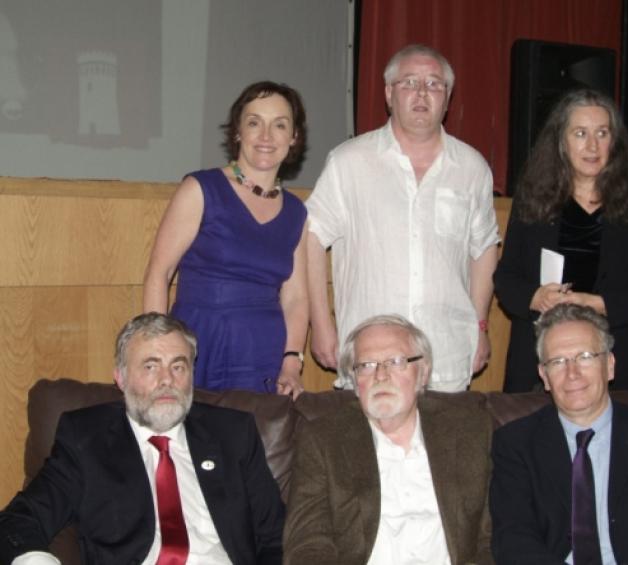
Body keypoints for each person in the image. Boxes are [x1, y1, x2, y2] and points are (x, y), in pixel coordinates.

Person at [0, 312, 284, 564]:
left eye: (178, 366)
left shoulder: (233, 434)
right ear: (120, 378)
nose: (167, 380)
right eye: (150, 366)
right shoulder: (86, 438)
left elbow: (276, 536)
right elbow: (19, 520)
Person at [306, 44, 500, 392]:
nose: (422, 93)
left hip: (448, 353)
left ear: (448, 96)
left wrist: (480, 327)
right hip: (370, 357)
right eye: (409, 82)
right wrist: (321, 323)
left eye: (434, 84)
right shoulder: (349, 161)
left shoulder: (472, 168)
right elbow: (312, 238)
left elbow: (484, 249)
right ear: (388, 93)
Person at [490, 303, 628, 564]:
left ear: (610, 365)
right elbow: (513, 541)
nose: (572, 373)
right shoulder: (515, 443)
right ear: (544, 376)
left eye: (585, 357)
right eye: (558, 362)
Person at [494, 88, 628, 392]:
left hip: (612, 363)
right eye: (580, 133)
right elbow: (506, 279)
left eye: (602, 133)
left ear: (614, 142)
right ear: (561, 142)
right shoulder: (533, 199)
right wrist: (535, 297)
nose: (592, 145)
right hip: (538, 365)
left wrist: (601, 304)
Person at [283, 314, 493, 564]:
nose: (380, 376)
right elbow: (307, 543)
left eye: (395, 361)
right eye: (367, 365)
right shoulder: (323, 439)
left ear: (423, 373)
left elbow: (491, 537)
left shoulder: (470, 430)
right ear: (354, 380)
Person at [143, 81, 309, 398]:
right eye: (254, 122)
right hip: (197, 344)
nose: (265, 136)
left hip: (262, 354)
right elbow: (158, 273)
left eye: (279, 125)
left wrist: (291, 363)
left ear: (293, 138)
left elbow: (296, 298)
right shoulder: (200, 189)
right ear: (237, 132)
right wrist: (158, 352)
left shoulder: (296, 212)